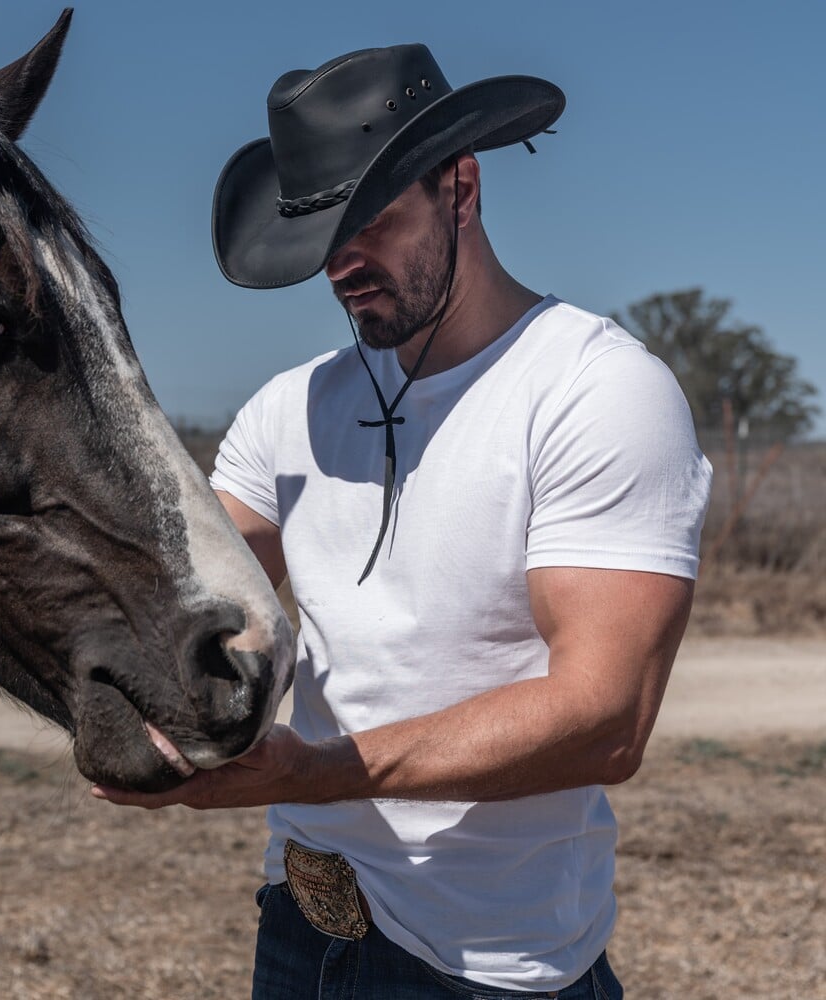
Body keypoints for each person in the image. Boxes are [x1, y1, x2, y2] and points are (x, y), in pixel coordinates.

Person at [94, 44, 712, 998]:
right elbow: (180, 605)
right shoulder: (288, 410)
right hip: (300, 923)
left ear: (461, 187)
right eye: (320, 238)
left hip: (497, 967)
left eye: (372, 221)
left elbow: (607, 719)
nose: (343, 263)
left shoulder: (593, 391)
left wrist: (310, 774)